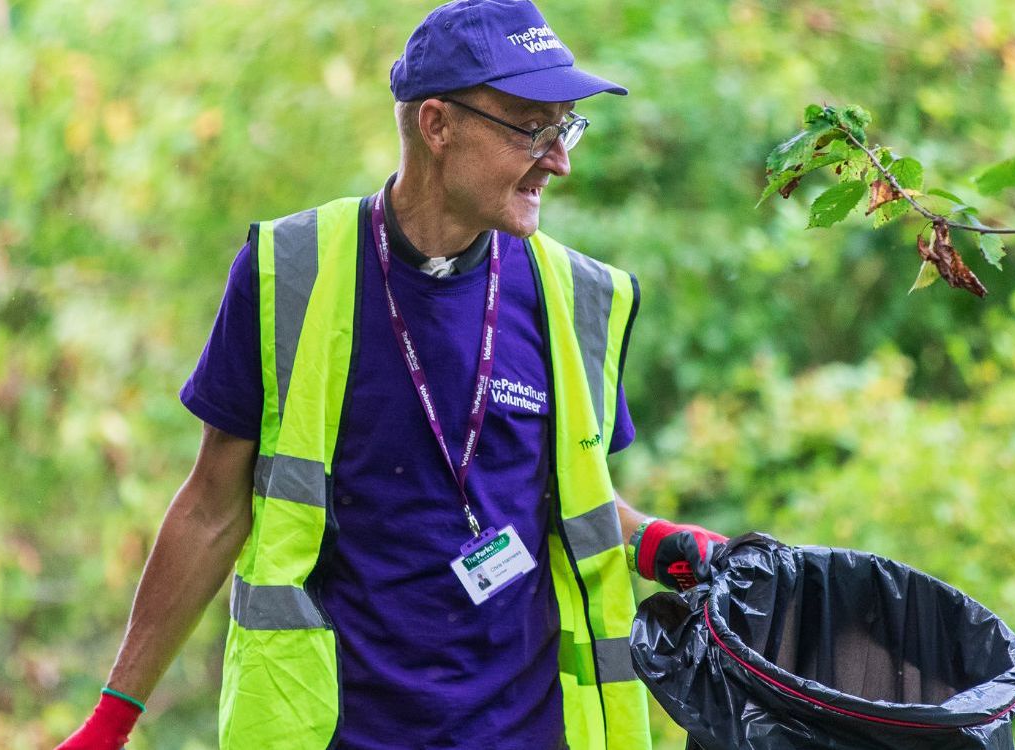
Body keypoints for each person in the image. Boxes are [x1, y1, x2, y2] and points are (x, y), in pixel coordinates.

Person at [56, 2, 726, 748]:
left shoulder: (580, 298)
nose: (559, 158)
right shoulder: (294, 272)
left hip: (527, 730)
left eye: (565, 125)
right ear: (438, 126)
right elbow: (213, 508)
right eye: (533, 128)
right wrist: (112, 720)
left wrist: (659, 542)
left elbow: (566, 498)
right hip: (346, 730)